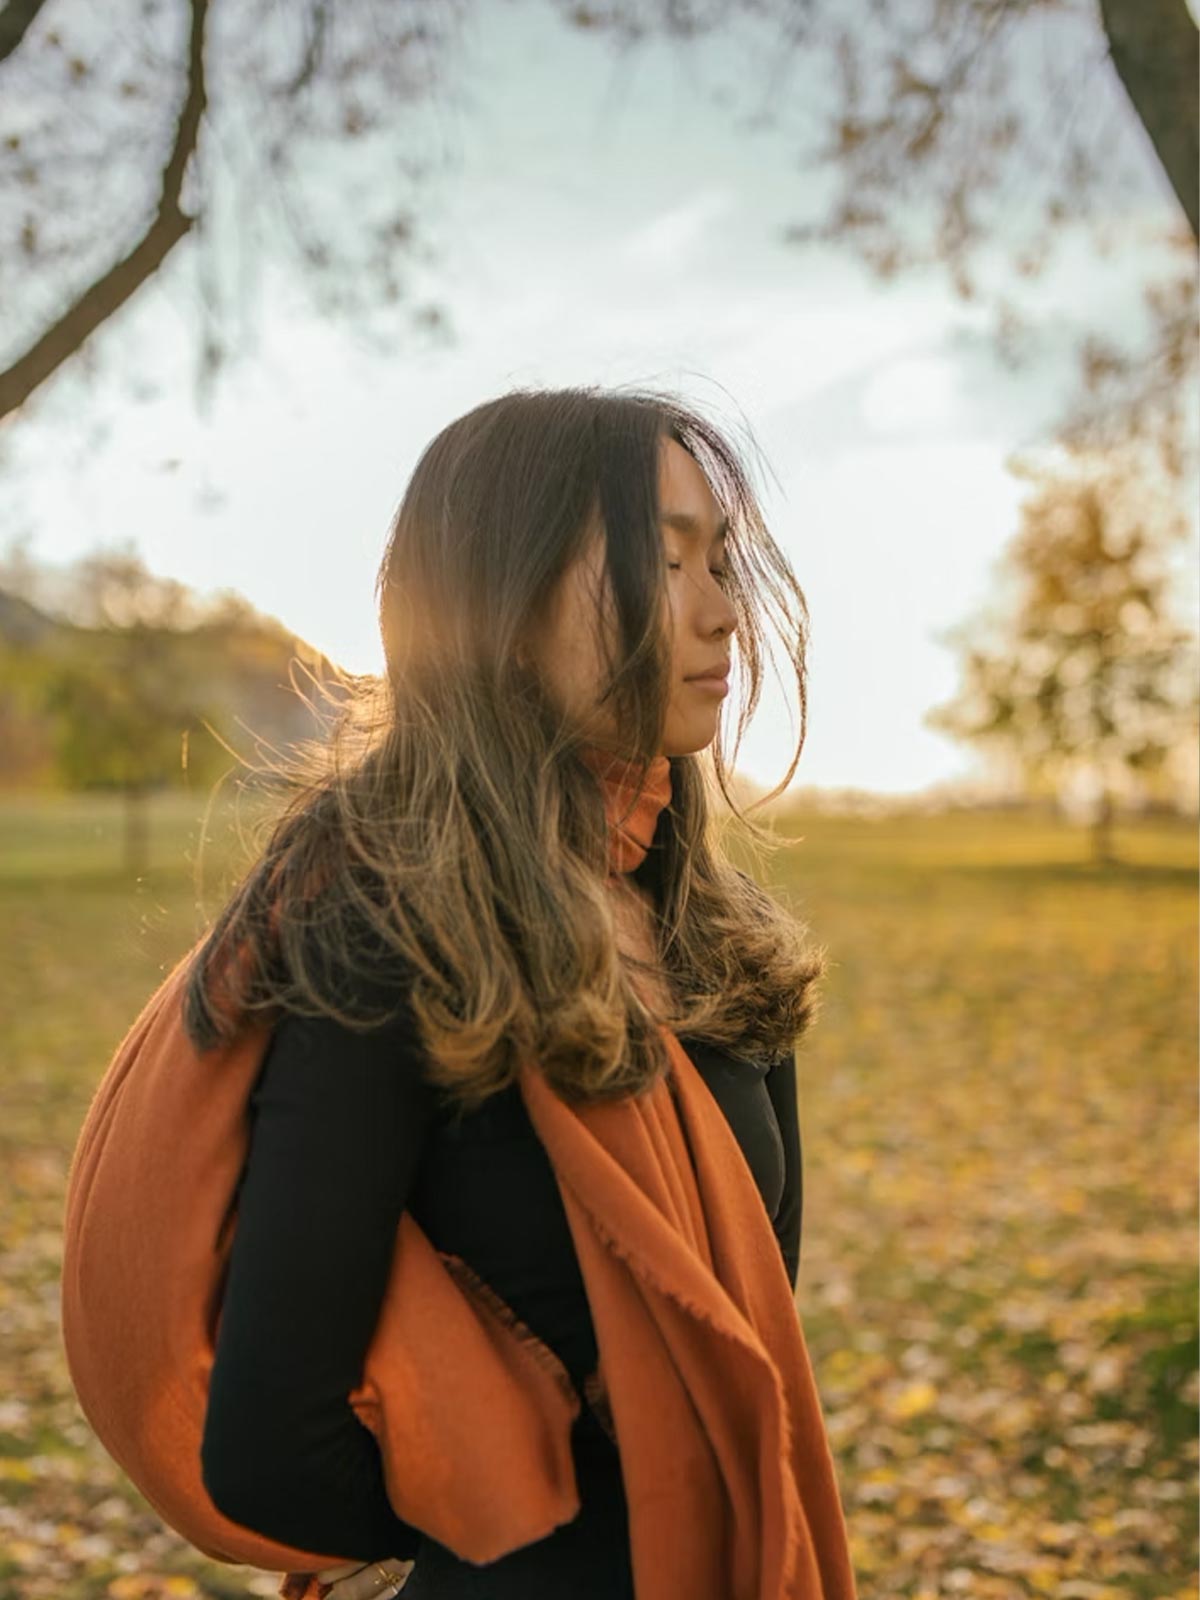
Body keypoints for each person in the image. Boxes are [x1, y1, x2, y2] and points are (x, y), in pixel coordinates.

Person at [185, 385, 830, 1598]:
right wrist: (507, 1511)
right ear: (506, 600)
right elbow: (269, 1447)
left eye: (720, 562)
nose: (722, 613)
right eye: (663, 559)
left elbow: (753, 1337)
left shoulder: (714, 942)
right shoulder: (390, 935)